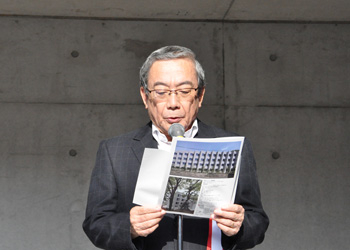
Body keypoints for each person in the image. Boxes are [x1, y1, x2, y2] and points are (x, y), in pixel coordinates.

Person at [83, 45, 269, 250]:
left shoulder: (232, 147)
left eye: (184, 91)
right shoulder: (114, 151)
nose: (173, 103)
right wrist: (129, 226)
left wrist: (239, 225)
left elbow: (257, 222)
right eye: (161, 92)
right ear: (145, 97)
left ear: (200, 96)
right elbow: (95, 224)